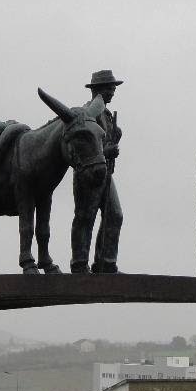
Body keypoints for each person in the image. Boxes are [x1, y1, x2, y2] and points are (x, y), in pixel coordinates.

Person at [72, 69, 123, 273]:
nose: (113, 92)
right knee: (85, 216)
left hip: (106, 174)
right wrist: (106, 150)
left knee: (115, 214)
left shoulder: (107, 115)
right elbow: (84, 144)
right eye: (110, 88)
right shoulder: (86, 114)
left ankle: (105, 262)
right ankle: (79, 263)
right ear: (99, 91)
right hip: (89, 175)